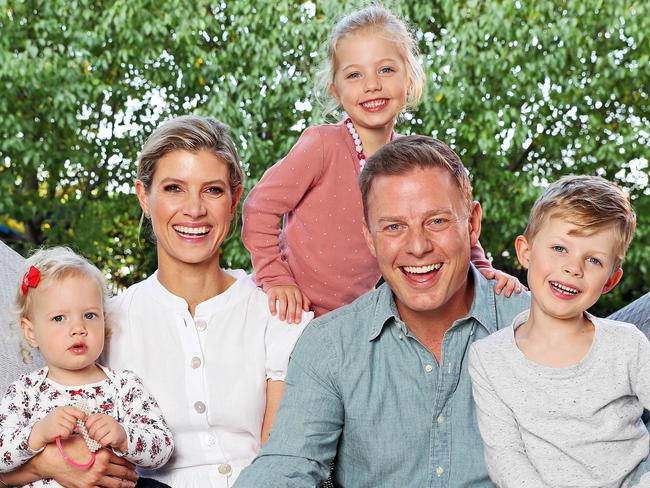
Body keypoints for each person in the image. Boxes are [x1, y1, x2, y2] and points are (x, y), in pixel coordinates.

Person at [235, 135, 531, 487]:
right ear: (370, 238)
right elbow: (286, 465)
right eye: (394, 227)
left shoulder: (533, 324)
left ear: (471, 224)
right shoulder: (331, 344)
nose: (418, 247)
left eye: (436, 221)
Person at [242, 5, 522, 322]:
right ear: (336, 89)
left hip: (346, 319)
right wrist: (276, 278)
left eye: (386, 70)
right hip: (284, 310)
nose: (371, 84)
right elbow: (259, 208)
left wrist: (483, 269)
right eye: (354, 74)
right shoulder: (323, 145)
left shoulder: (413, 162)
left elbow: (450, 218)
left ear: (409, 78)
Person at [101, 115, 310, 487]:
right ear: (143, 197)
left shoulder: (276, 314)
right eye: (173, 189)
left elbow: (281, 460)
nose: (194, 209)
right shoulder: (108, 324)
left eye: (212, 190)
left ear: (234, 200)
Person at [468, 176, 650, 487]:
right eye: (559, 248)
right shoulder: (489, 358)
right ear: (525, 252)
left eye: (593, 259)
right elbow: (506, 457)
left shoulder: (626, 344)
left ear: (610, 280)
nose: (573, 268)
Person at [0, 247, 173, 487]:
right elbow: (1, 455)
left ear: (104, 320)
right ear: (31, 332)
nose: (78, 328)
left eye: (90, 316)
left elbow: (162, 448)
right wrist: (37, 433)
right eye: (59, 318)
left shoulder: (124, 385)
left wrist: (124, 437)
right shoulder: (24, 391)